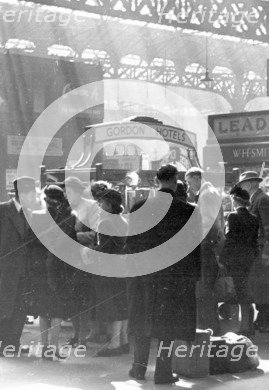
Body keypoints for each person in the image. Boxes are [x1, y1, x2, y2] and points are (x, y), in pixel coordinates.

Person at [126, 164, 202, 384]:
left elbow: (130, 244)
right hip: (174, 278)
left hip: (144, 275)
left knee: (142, 321)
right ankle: (163, 372)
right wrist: (193, 278)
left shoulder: (139, 206)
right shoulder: (188, 210)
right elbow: (193, 249)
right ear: (176, 180)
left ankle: (138, 369)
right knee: (166, 326)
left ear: (156, 180)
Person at [0, 177, 37, 356]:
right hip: (5, 271)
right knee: (2, 308)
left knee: (19, 308)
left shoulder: (30, 212)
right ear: (23, 194)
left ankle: (13, 344)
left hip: (23, 269)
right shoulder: (2, 209)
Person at [29, 185, 80, 360]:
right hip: (59, 268)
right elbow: (71, 244)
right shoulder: (68, 217)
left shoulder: (36, 216)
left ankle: (44, 347)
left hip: (40, 268)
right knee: (57, 310)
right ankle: (53, 347)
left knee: (43, 309)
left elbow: (31, 243)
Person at [237, 171, 269, 333]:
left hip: (262, 251)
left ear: (251, 184)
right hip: (258, 250)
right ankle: (264, 319)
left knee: (264, 287)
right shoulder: (257, 199)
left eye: (242, 185)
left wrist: (267, 252)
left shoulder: (262, 200)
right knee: (260, 286)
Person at [185, 167, 223, 332]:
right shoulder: (210, 192)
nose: (188, 186)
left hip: (205, 246)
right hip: (211, 245)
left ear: (196, 177)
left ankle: (209, 327)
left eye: (189, 181)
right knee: (207, 290)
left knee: (204, 291)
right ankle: (211, 326)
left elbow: (207, 223)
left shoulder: (206, 194)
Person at [93, 188, 129, 357]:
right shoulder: (123, 220)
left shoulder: (105, 222)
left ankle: (114, 345)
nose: (99, 205)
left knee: (113, 307)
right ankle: (123, 341)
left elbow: (104, 249)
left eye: (102, 202)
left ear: (109, 204)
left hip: (109, 268)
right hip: (123, 267)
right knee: (122, 305)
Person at [64, 176, 100, 345]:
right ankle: (76, 333)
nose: (67, 195)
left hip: (85, 257)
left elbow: (95, 234)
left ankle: (84, 334)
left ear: (79, 192)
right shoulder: (65, 208)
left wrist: (72, 236)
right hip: (68, 257)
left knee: (84, 297)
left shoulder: (91, 207)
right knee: (71, 297)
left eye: (70, 192)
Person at [222, 186, 259, 337]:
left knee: (238, 292)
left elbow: (230, 239)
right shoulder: (254, 218)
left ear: (235, 200)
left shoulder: (232, 217)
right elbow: (254, 241)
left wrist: (223, 258)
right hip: (249, 258)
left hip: (235, 259)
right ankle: (248, 325)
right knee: (246, 292)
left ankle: (241, 327)